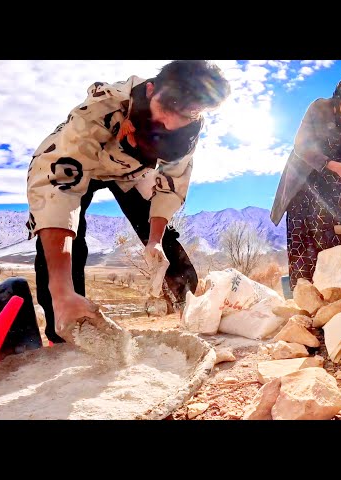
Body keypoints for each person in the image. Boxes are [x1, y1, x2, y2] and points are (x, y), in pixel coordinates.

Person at [26, 60, 231, 343]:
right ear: (150, 90)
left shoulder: (191, 124)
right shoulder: (99, 110)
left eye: (187, 113)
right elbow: (58, 191)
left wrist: (155, 238)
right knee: (65, 244)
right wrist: (62, 291)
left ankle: (194, 312)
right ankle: (64, 326)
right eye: (166, 109)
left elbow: (171, 184)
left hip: (129, 172)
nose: (172, 124)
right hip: (71, 164)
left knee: (164, 242)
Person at [270, 76, 341, 290]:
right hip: (306, 178)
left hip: (340, 184)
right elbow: (301, 146)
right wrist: (338, 167)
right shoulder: (319, 108)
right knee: (306, 234)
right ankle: (306, 295)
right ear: (340, 94)